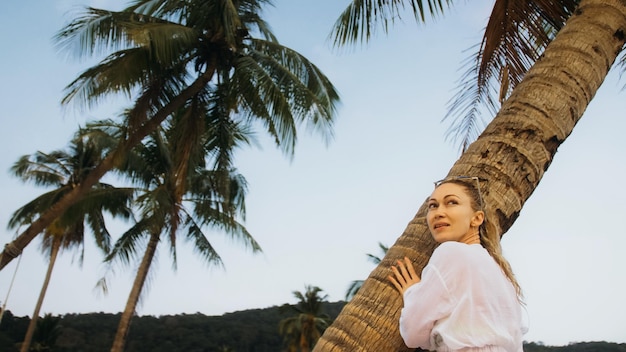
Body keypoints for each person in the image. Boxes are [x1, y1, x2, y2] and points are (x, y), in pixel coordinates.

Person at [388, 176, 527, 351]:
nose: (438, 212)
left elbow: (412, 334)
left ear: (476, 218)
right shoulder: (502, 274)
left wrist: (412, 292)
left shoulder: (450, 253)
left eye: (452, 202)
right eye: (433, 205)